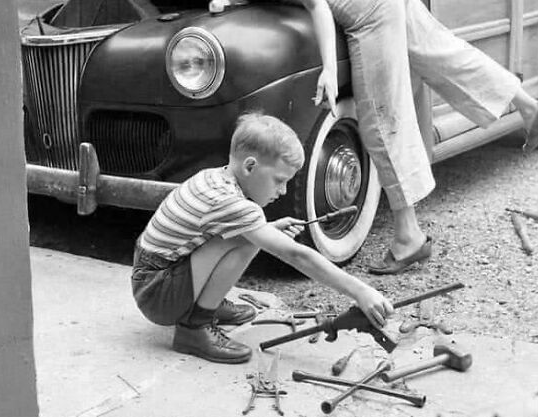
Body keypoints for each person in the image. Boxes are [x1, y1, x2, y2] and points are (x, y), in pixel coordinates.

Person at [145, 0, 538, 275]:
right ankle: (529, 105)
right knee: (443, 52)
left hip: (365, 6)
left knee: (380, 118)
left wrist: (329, 69)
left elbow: (316, 4)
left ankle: (409, 237)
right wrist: (145, 2)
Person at [131, 112, 393, 364]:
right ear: (250, 166)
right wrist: (360, 291)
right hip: (156, 294)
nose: (283, 190)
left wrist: (271, 228)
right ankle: (194, 327)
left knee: (248, 234)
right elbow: (296, 255)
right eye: (279, 180)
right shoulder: (233, 204)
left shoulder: (217, 178)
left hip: (152, 276)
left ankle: (205, 304)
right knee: (245, 240)